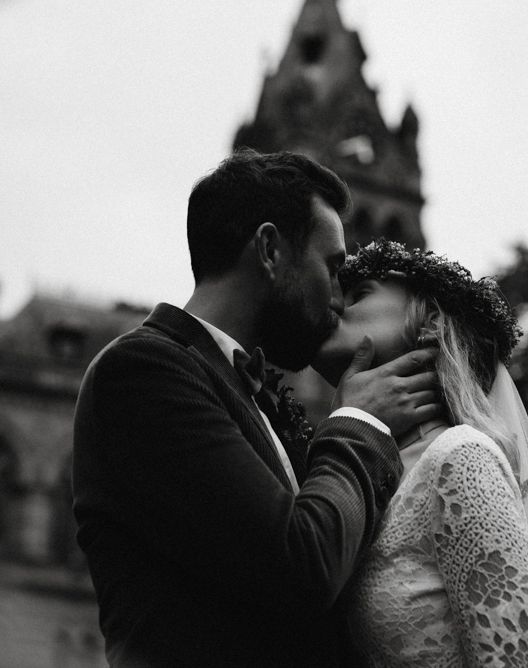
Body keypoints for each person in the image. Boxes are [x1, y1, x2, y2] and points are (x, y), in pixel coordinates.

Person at [72, 151, 442, 667]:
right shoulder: (143, 372)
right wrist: (360, 421)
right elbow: (302, 568)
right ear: (269, 249)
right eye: (332, 267)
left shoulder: (251, 390)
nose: (338, 299)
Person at [313, 239, 528, 668]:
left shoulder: (460, 460)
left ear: (430, 321)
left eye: (360, 293)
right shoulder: (354, 481)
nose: (335, 305)